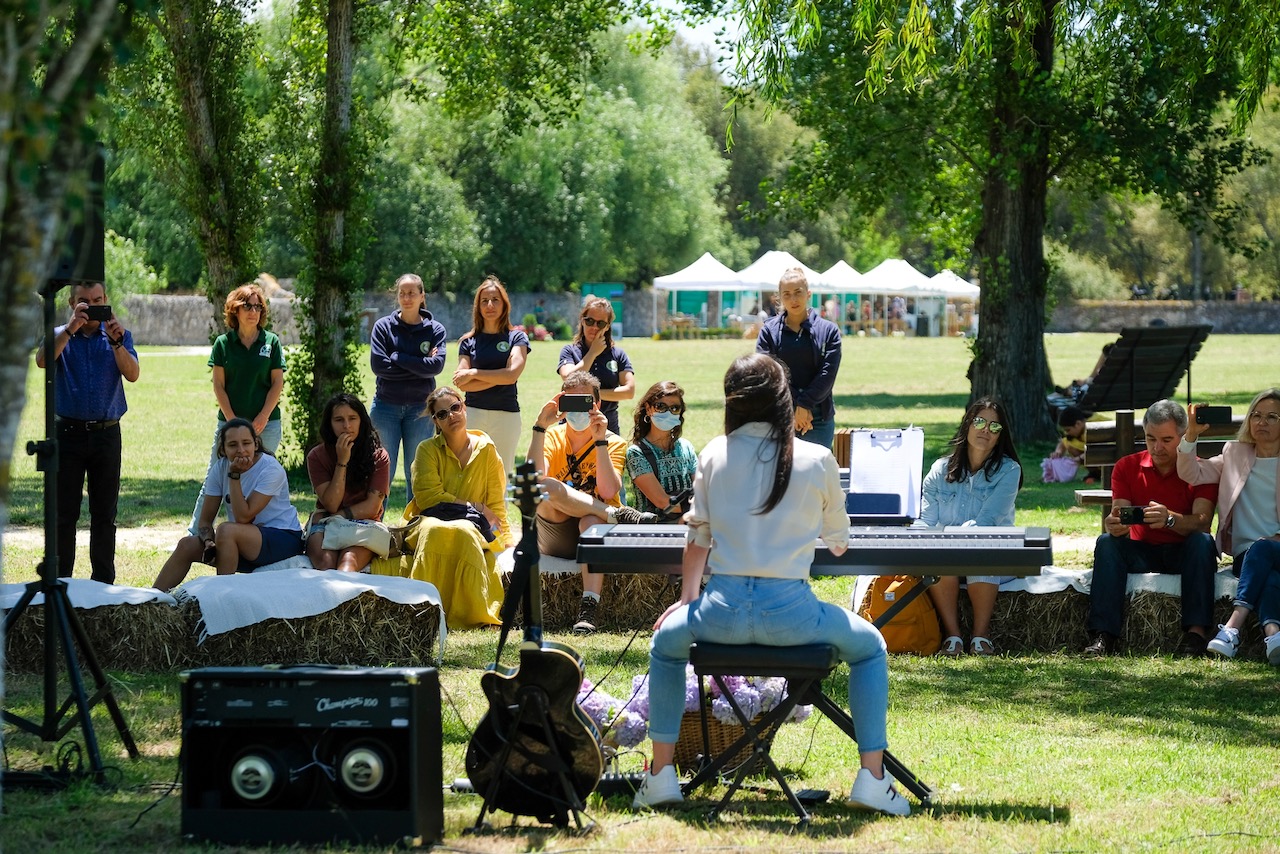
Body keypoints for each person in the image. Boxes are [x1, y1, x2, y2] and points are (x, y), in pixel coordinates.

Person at [631, 354, 908, 816]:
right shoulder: (818, 458)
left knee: (665, 645)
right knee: (871, 647)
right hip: (794, 616)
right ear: (783, 399)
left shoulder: (713, 453)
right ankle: (873, 779)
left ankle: (660, 777)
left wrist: (685, 602)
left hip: (719, 613)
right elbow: (839, 544)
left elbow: (696, 539)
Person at [1082, 400, 1219, 656]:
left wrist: (1170, 519)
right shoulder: (1127, 466)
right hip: (1141, 550)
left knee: (1202, 542)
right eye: (1150, 438)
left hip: (1183, 552)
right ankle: (1103, 635)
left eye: (1166, 440)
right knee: (1106, 542)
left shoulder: (1201, 469)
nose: (1157, 448)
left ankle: (1196, 634)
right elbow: (1119, 513)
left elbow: (1203, 521)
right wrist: (1115, 525)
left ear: (1183, 436)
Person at [528, 371, 655, 635]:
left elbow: (608, 488)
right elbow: (535, 479)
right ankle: (617, 514)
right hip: (557, 533)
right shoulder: (552, 436)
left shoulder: (613, 442)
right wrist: (540, 426)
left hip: (594, 531)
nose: (577, 409)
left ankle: (589, 607)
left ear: (597, 405)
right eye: (569, 401)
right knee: (545, 486)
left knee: (589, 522)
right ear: (560, 404)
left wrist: (599, 441)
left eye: (583, 402)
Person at [36, 281, 140, 583]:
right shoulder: (59, 335)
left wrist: (117, 342)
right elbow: (43, 360)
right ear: (72, 303)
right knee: (64, 515)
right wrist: (70, 329)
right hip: (67, 434)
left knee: (104, 515)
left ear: (106, 300)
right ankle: (61, 583)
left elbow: (132, 374)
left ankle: (103, 583)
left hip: (106, 434)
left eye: (97, 300)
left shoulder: (119, 335)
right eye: (84, 301)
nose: (91, 307)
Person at [1178, 390, 1280, 664]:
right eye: (1256, 415)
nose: (1262, 422)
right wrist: (1190, 435)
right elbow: (1192, 474)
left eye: (1272, 416)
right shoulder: (1234, 453)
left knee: (1263, 551)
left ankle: (1232, 627)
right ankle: (1274, 634)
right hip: (1247, 556)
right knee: (1267, 575)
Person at [395, 387, 510, 629]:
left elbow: (497, 502)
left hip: (473, 526)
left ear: (464, 406)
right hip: (428, 520)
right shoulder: (426, 449)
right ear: (435, 421)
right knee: (438, 530)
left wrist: (505, 541)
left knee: (465, 530)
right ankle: (422, 610)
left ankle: (471, 614)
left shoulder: (487, 450)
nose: (451, 416)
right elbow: (429, 498)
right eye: (442, 414)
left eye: (455, 408)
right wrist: (476, 506)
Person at [919, 398, 1022, 656]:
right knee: (939, 559)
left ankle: (980, 636)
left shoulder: (1009, 471)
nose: (986, 430)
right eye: (979, 421)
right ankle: (952, 637)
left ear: (1001, 436)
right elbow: (925, 521)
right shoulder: (939, 469)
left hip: (991, 552)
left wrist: (948, 539)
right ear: (967, 425)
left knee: (980, 552)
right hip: (948, 554)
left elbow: (987, 523)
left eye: (994, 427)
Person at [153, 418, 303, 592]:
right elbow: (205, 521)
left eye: (246, 443)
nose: (241, 450)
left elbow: (243, 517)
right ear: (223, 449)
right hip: (242, 542)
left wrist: (234, 476)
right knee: (187, 545)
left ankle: (222, 598)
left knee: (226, 530)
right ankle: (150, 600)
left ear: (256, 444)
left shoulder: (271, 469)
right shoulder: (220, 467)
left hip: (283, 539)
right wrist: (208, 542)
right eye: (232, 445)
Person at [188, 283, 284, 535]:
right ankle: (197, 532)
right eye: (247, 306)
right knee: (214, 475)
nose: (253, 311)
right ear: (235, 310)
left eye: (258, 306)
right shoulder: (223, 343)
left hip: (267, 425)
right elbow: (219, 385)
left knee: (260, 477)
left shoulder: (271, 342)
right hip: (228, 423)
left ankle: (257, 532)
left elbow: (277, 382)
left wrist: (262, 416)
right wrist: (233, 424)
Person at [370, 273, 447, 503]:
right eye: (402, 293)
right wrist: (419, 365)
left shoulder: (435, 330)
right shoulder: (383, 327)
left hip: (421, 409)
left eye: (412, 293)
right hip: (385, 407)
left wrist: (398, 357)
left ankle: (416, 526)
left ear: (422, 296)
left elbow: (436, 366)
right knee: (381, 470)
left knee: (418, 471)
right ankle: (375, 523)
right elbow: (379, 366)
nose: (406, 298)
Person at [755, 267, 842, 449]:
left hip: (819, 418)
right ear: (779, 298)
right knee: (780, 475)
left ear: (808, 294)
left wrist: (805, 405)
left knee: (817, 474)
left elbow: (828, 374)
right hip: (780, 414)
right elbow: (768, 373)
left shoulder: (829, 331)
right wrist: (797, 405)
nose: (793, 299)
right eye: (786, 294)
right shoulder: (768, 331)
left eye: (798, 293)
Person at [452, 275, 530, 477]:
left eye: (495, 299)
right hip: (473, 414)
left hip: (506, 415)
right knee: (470, 475)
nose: (490, 305)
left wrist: (475, 373)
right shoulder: (467, 341)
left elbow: (512, 376)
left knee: (500, 476)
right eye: (484, 300)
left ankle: (497, 511)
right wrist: (499, 377)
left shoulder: (517, 338)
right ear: (477, 306)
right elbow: (463, 384)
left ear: (504, 304)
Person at [304, 393, 391, 573]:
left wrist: (340, 516)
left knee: (347, 564)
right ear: (329, 424)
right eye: (339, 420)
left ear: (362, 421)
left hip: (364, 522)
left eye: (352, 418)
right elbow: (331, 503)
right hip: (325, 521)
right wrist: (342, 461)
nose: (347, 426)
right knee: (326, 565)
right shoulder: (317, 456)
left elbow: (372, 507)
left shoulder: (379, 456)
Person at [557, 296, 635, 435]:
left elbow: (629, 391)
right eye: (590, 321)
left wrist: (593, 396)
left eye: (600, 324)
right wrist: (592, 353)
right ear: (582, 320)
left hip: (607, 426)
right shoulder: (569, 351)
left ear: (607, 326)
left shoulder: (618, 355)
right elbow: (569, 378)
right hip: (572, 428)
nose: (594, 327)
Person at [625, 381, 697, 518]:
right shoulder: (636, 453)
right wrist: (702, 507)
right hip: (655, 529)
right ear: (648, 408)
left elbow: (702, 488)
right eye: (661, 406)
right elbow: (662, 502)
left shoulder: (686, 447)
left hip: (690, 523)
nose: (668, 412)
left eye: (675, 408)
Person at [1041, 406, 1088, 483]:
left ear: (1078, 424)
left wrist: (1080, 458)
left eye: (1068, 430)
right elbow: (1063, 442)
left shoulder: (1088, 431)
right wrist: (1058, 452)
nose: (1067, 433)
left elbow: (1096, 449)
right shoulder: (1076, 434)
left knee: (1073, 448)